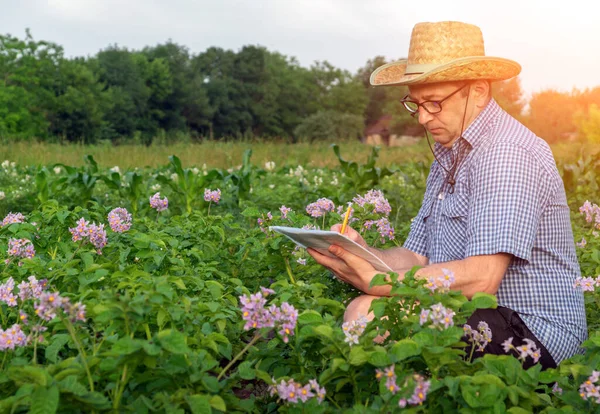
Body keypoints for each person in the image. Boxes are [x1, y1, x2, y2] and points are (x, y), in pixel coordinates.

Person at [307, 21, 587, 369]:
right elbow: (417, 256)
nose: (423, 118)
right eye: (416, 103)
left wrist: (384, 283)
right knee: (371, 310)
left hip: (535, 331)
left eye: (434, 102)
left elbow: (483, 277)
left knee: (371, 314)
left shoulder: (506, 152)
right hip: (482, 312)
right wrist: (363, 253)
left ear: (480, 91)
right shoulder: (450, 153)